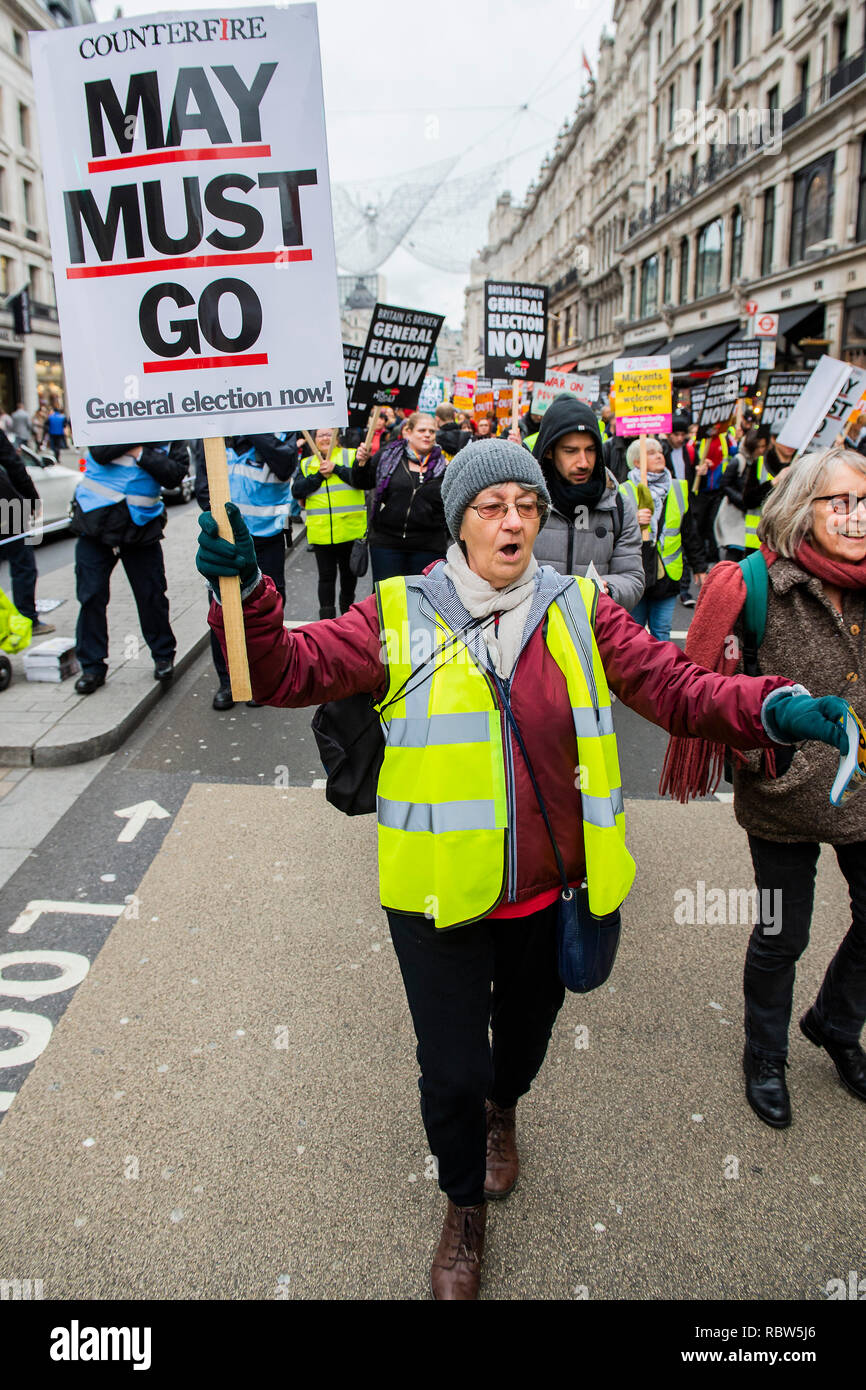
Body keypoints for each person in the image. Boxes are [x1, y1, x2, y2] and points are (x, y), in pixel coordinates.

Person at [197, 438, 844, 1299]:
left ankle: (506, 1113)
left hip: (551, 894)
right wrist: (244, 596)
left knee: (523, 1050)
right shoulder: (397, 609)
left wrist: (777, 704)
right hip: (436, 899)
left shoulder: (581, 609)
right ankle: (463, 1209)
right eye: (491, 506)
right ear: (460, 522)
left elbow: (678, 688)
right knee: (453, 1071)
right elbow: (283, 672)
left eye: (527, 507)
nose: (512, 522)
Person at [663, 446, 866, 1129]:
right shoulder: (753, 585)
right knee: (784, 933)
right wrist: (756, 753)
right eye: (840, 502)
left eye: (865, 502)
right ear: (800, 509)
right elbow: (703, 690)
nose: (856, 515)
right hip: (782, 793)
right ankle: (765, 1054)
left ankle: (835, 1024)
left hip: (863, 789)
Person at [71, 440, 189, 694]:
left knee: (152, 595)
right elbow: (100, 451)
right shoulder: (110, 419)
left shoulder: (170, 431)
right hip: (96, 522)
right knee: (91, 596)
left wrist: (140, 453)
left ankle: (163, 656)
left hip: (141, 526)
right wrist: (139, 440)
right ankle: (92, 667)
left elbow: (174, 475)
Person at [195, 431, 297, 710]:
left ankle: (258, 678)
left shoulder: (282, 432)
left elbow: (285, 463)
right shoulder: (214, 433)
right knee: (222, 610)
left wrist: (251, 424)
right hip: (226, 542)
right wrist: (217, 521)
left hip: (267, 539)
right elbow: (203, 487)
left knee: (264, 608)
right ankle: (227, 681)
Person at [530, 396, 643, 608]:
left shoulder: (617, 503)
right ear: (548, 451)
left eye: (590, 450)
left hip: (594, 633)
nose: (583, 462)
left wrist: (609, 589)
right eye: (570, 451)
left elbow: (633, 578)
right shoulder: (524, 502)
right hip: (533, 634)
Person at [620, 436, 707, 641]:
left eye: (660, 451)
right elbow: (612, 534)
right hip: (637, 574)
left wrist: (699, 566)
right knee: (634, 635)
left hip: (668, 575)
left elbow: (689, 531)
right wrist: (634, 520)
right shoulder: (623, 491)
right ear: (637, 462)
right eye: (651, 452)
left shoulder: (677, 488)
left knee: (662, 634)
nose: (659, 455)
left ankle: (661, 674)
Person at [354, 411, 448, 582]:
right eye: (422, 430)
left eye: (432, 431)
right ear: (408, 432)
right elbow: (362, 482)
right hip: (387, 545)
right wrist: (361, 463)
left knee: (423, 602)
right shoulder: (387, 456)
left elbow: (451, 505)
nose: (427, 434)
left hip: (428, 547)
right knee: (389, 601)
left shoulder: (445, 467)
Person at [291, 427, 363, 621]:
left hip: (350, 532)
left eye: (329, 434)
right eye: (320, 435)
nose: (324, 438)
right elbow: (297, 490)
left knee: (349, 580)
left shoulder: (351, 455)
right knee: (326, 579)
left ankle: (348, 622)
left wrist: (336, 469)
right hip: (322, 534)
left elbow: (361, 480)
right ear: (314, 440)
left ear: (337, 438)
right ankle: (327, 623)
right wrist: (319, 476)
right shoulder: (307, 464)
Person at [0, 429, 54, 635]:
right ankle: (27, 619)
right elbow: (15, 465)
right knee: (22, 563)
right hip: (6, 505)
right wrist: (32, 498)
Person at [662, 413, 700, 606]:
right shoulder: (663, 451)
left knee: (683, 546)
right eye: (675, 434)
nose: (679, 438)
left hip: (685, 501)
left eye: (682, 434)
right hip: (668, 505)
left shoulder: (689, 451)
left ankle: (684, 590)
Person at [689, 421, 735, 564]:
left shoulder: (726, 439)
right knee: (700, 525)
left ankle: (713, 557)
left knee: (713, 523)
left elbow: (737, 453)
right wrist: (698, 467)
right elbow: (688, 461)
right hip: (701, 492)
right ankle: (701, 557)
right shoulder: (696, 442)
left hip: (718, 490)